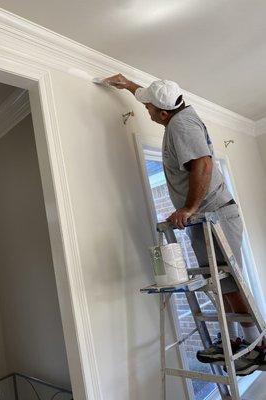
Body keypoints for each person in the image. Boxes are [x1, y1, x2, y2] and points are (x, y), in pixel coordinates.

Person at [103, 74, 264, 375]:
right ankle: (235, 340)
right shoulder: (177, 113)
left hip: (213, 215)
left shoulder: (180, 126)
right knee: (220, 285)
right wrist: (129, 86)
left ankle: (257, 348)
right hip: (207, 218)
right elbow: (152, 98)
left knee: (228, 283)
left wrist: (188, 208)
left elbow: (202, 164)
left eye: (149, 108)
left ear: (163, 113)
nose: (147, 112)